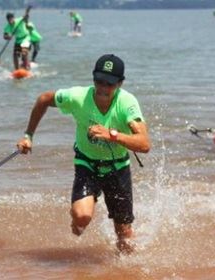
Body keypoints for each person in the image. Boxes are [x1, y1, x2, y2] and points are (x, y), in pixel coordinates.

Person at [16, 54, 150, 254]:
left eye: (110, 83)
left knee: (124, 235)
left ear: (120, 84)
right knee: (82, 217)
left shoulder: (127, 103)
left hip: (118, 168)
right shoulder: (77, 97)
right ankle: (77, 222)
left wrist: (111, 135)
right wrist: (28, 135)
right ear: (93, 79)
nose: (103, 88)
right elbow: (44, 99)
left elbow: (144, 144)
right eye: (99, 81)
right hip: (87, 164)